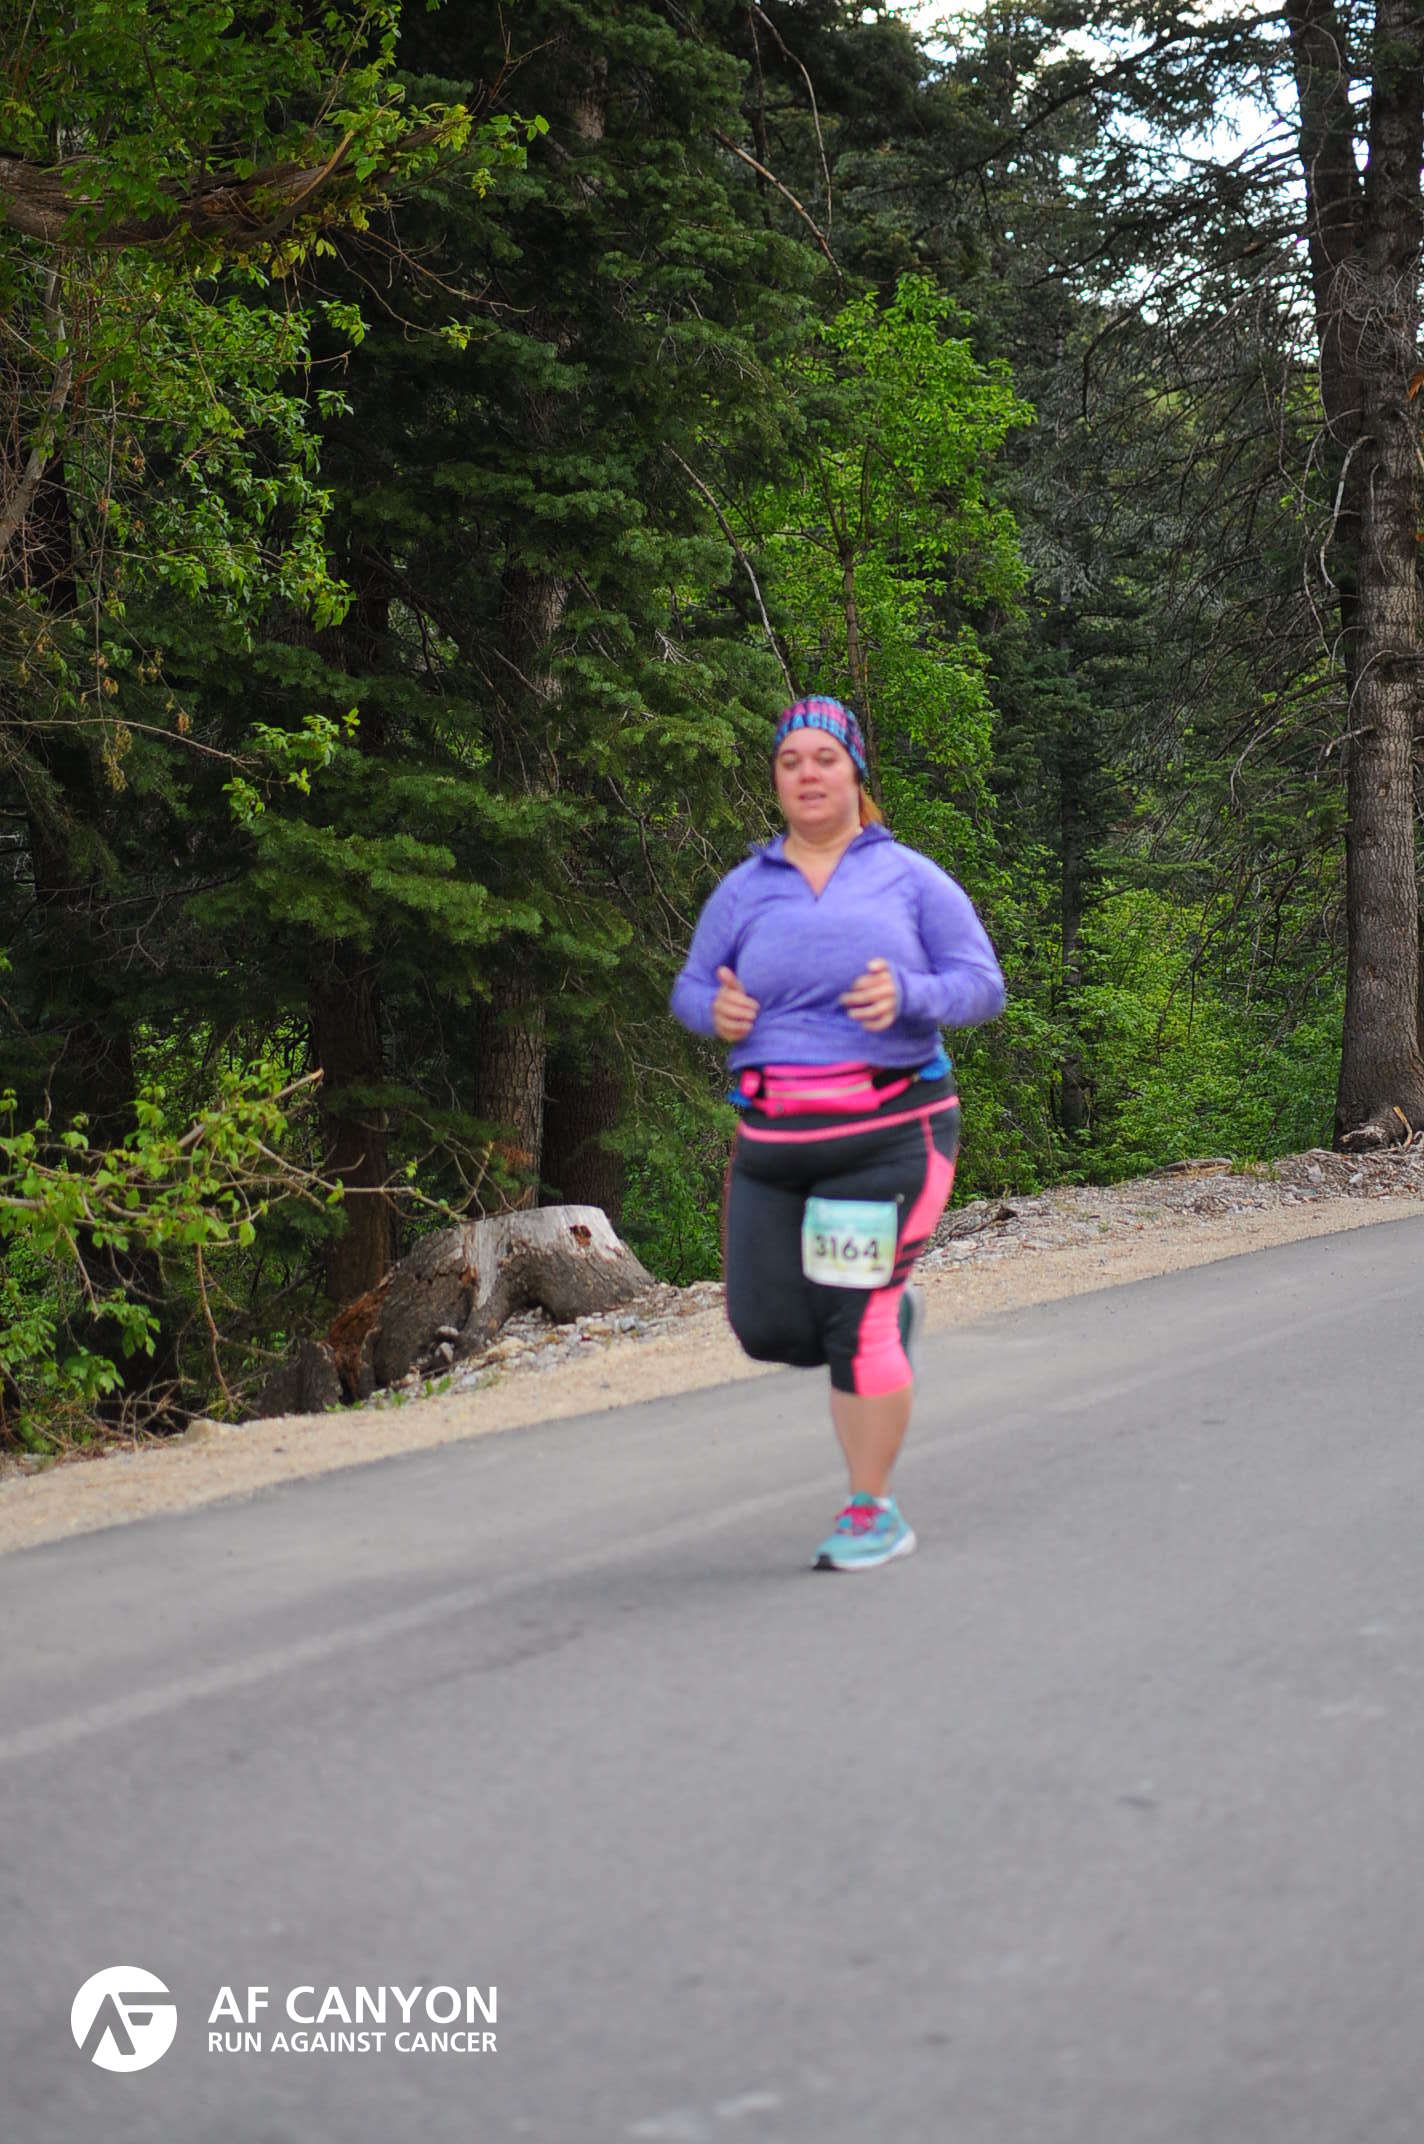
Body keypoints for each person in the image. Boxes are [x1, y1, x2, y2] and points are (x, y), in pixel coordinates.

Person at [670, 694, 1005, 1571]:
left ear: (856, 772)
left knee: (856, 1324)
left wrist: (911, 995)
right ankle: (891, 1313)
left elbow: (982, 983)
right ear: (776, 780)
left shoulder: (910, 879)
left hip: (888, 1135)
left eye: (824, 758)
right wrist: (715, 1011)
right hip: (774, 1146)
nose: (808, 774)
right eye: (791, 762)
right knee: (769, 1328)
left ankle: (871, 1510)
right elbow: (691, 989)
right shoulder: (745, 888)